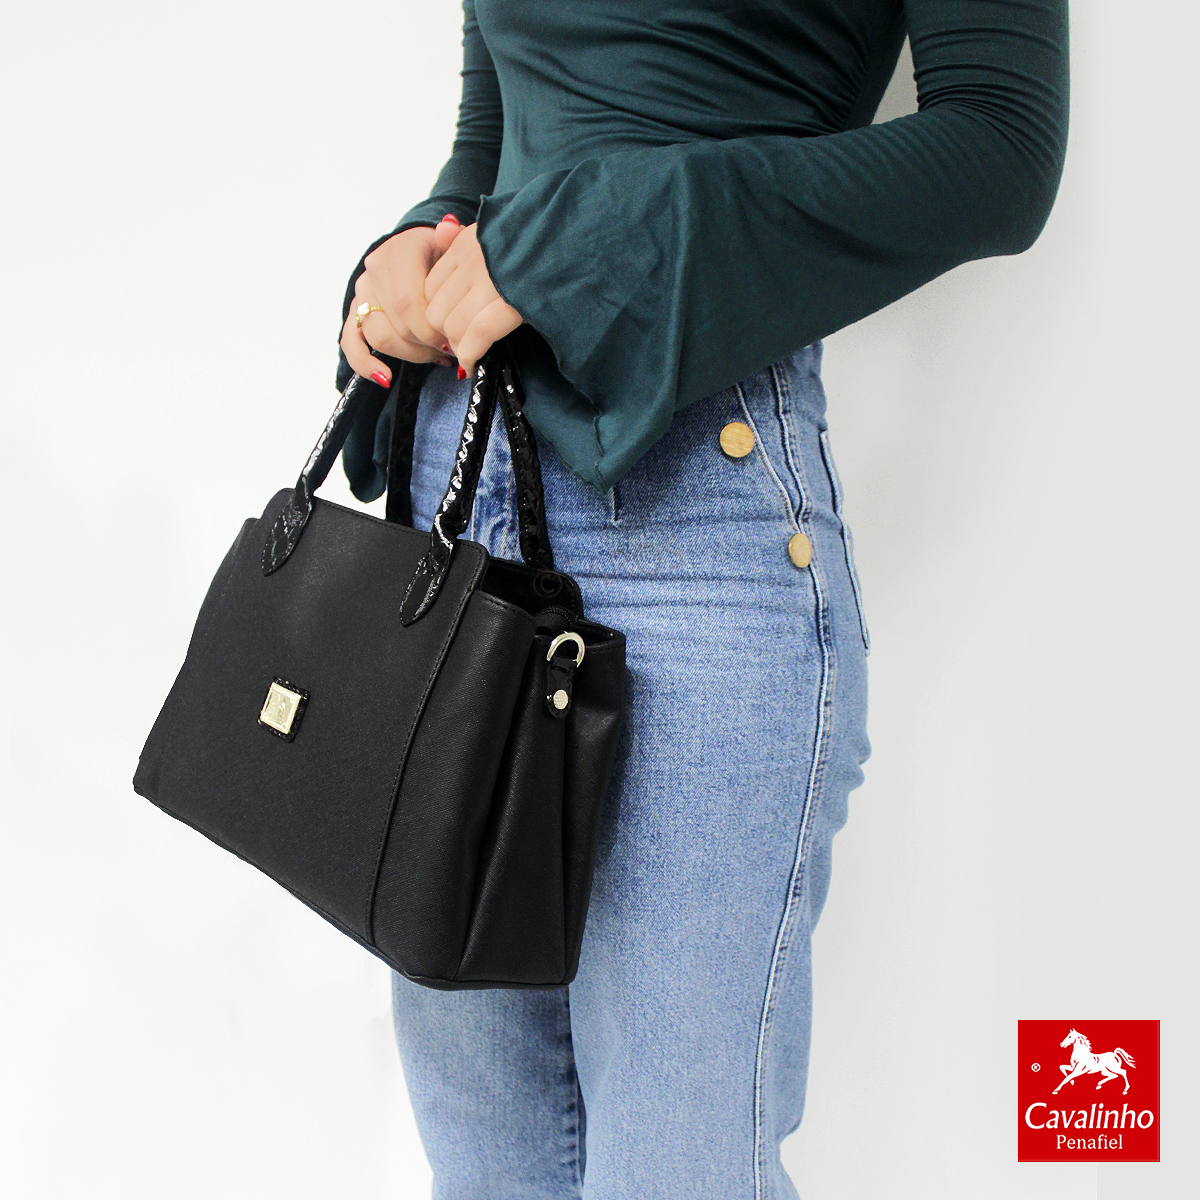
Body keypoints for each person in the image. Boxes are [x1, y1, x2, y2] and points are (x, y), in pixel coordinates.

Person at [336, 1, 1069, 1195]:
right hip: (462, 492)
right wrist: (418, 252)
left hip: (695, 513)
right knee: (486, 1167)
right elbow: (498, 131)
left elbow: (1001, 150)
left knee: (675, 1172)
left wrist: (609, 232)